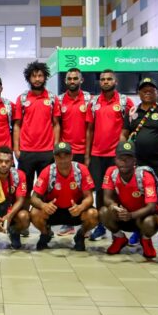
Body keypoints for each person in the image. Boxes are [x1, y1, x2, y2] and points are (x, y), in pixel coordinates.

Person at [120, 77, 158, 249]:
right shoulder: (133, 112)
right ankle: (138, 231)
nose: (147, 92)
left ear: (157, 92)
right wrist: (125, 152)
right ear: (138, 93)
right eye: (144, 89)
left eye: (151, 89)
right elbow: (124, 133)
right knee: (140, 198)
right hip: (138, 164)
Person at [85, 69, 134, 241]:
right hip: (97, 154)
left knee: (117, 191)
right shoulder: (93, 102)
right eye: (103, 79)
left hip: (118, 156)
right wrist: (87, 155)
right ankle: (101, 225)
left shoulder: (125, 102)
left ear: (115, 81)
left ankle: (118, 226)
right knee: (99, 191)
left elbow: (131, 129)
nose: (105, 82)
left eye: (109, 79)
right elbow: (90, 130)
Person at [30, 142, 98, 251]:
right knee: (34, 213)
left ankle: (80, 235)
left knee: (93, 214)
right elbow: (33, 198)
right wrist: (43, 205)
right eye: (59, 156)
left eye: (66, 156)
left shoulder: (81, 170)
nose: (62, 160)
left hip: (75, 211)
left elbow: (89, 197)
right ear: (54, 157)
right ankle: (45, 234)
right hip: (53, 211)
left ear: (71, 156)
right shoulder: (47, 171)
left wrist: (80, 207)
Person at [99, 141, 158, 259]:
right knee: (103, 212)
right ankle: (119, 238)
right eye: (121, 158)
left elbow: (151, 206)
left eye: (128, 158)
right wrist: (115, 207)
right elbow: (107, 198)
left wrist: (131, 215)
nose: (124, 162)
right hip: (121, 215)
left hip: (140, 217)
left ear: (134, 161)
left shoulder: (145, 175)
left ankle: (146, 240)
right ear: (115, 160)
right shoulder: (111, 172)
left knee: (151, 222)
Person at [13, 61, 61, 196]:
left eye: (40, 76)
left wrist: (55, 147)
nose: (37, 79)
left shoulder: (52, 98)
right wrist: (16, 149)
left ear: (45, 77)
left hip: (47, 152)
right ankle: (25, 210)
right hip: (26, 152)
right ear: (29, 78)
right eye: (34, 76)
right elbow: (17, 125)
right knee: (24, 191)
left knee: (46, 190)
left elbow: (56, 124)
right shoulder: (22, 99)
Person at [56, 68, 92, 236]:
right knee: (67, 188)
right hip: (66, 152)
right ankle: (67, 224)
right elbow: (57, 125)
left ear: (81, 80)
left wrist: (87, 154)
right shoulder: (59, 100)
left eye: (75, 78)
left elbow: (90, 128)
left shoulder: (89, 100)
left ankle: (86, 223)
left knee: (84, 189)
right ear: (65, 81)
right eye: (69, 78)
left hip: (84, 150)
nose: (72, 81)